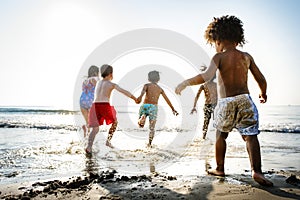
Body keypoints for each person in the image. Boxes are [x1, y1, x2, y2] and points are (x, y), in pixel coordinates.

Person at [175, 15, 273, 186]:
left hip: (226, 102)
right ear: (237, 38)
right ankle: (256, 171)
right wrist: (263, 93)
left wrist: (185, 83)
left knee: (221, 134)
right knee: (250, 136)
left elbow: (206, 76)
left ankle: (220, 168)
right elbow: (261, 79)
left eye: (214, 43)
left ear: (218, 40)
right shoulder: (246, 56)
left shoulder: (218, 57)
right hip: (245, 100)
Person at [85, 64, 137, 153]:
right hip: (104, 105)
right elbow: (123, 91)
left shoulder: (98, 82)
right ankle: (108, 141)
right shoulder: (111, 84)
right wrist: (135, 98)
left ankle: (89, 147)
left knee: (95, 129)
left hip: (94, 106)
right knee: (115, 122)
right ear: (110, 74)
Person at [136, 71, 179, 147]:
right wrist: (173, 109)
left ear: (148, 78)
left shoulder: (146, 85)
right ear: (158, 79)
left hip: (145, 105)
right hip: (153, 107)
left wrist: (140, 97)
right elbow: (167, 100)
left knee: (140, 125)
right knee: (152, 128)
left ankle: (143, 116)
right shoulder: (160, 89)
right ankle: (149, 144)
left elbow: (142, 93)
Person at [190, 67, 217, 139]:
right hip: (214, 105)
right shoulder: (213, 85)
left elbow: (197, 96)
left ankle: (204, 137)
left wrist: (194, 106)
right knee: (212, 121)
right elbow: (197, 96)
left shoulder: (206, 85)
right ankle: (204, 137)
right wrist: (194, 106)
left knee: (207, 121)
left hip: (211, 105)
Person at [79, 65, 99, 137]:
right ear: (96, 72)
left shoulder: (85, 80)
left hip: (82, 101)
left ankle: (86, 134)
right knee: (94, 124)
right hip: (91, 101)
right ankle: (90, 142)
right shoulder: (95, 79)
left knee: (88, 122)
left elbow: (84, 90)